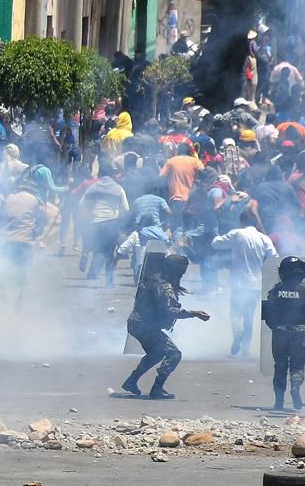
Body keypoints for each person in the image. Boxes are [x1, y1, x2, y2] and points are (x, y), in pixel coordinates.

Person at [121, 254, 210, 398]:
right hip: (144, 326)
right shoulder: (164, 287)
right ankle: (157, 388)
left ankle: (131, 381)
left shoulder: (156, 278)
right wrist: (194, 313)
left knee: (156, 353)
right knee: (174, 353)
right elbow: (170, 311)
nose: (183, 274)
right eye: (182, 271)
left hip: (137, 324)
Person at [212, 210, 279, 356]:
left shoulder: (237, 234)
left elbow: (216, 244)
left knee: (235, 313)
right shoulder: (264, 238)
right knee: (249, 316)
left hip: (239, 283)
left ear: (241, 222)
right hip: (256, 284)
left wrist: (215, 233)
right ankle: (246, 350)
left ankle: (237, 334)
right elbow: (274, 258)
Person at [263, 256, 305, 410]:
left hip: (280, 331)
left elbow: (269, 310)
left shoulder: (276, 290)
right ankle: (295, 387)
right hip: (299, 331)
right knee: (298, 366)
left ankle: (279, 401)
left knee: (280, 366)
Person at [80, 167, 129, 288]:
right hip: (111, 224)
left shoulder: (93, 188)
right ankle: (109, 282)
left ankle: (93, 278)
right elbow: (126, 208)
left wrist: (91, 212)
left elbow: (81, 204)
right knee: (110, 254)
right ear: (113, 175)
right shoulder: (118, 188)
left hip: (96, 224)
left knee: (97, 252)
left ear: (100, 175)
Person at [160, 143, 203, 237]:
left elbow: (161, 176)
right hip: (192, 200)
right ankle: (188, 246)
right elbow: (203, 173)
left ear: (178, 151)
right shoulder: (195, 161)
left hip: (176, 199)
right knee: (190, 227)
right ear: (189, 152)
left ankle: (179, 249)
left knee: (177, 227)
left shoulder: (172, 161)